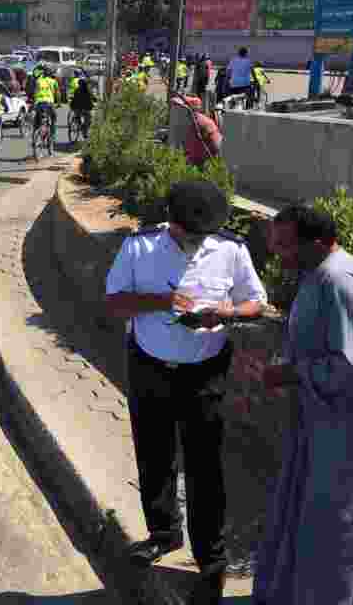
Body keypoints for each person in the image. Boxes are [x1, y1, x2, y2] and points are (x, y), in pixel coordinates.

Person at [105, 180, 267, 604]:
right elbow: (114, 303)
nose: (197, 240)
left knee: (205, 468)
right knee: (154, 455)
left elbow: (257, 302)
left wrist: (228, 312)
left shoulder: (230, 249)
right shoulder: (140, 247)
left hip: (205, 374)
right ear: (172, 223)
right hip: (149, 366)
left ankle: (211, 562)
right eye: (189, 232)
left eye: (203, 233)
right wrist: (161, 301)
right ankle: (163, 533)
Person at [253, 205, 353, 605]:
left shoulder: (340, 281)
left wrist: (295, 373)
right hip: (324, 426)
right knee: (312, 528)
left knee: (337, 534)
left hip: (347, 436)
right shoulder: (319, 274)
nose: (277, 253)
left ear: (316, 243)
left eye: (285, 245)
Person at [70, 71, 96, 135]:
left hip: (77, 107)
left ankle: (79, 123)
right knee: (89, 119)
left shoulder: (77, 90)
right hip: (85, 108)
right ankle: (84, 129)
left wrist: (72, 106)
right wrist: (95, 100)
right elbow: (92, 97)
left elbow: (73, 99)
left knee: (78, 115)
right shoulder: (88, 90)